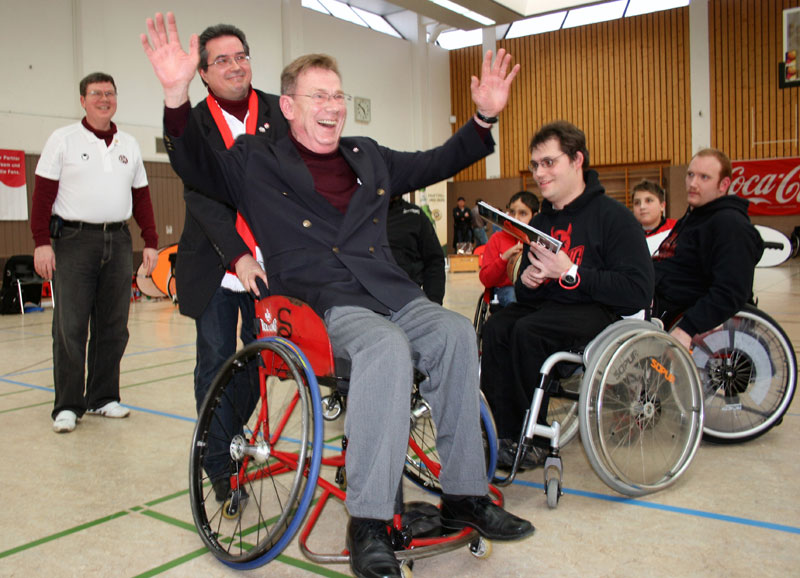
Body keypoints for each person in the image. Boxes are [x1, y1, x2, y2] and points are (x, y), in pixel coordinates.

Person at [142, 12, 531, 578]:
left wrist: (483, 116)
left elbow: (436, 162)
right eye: (318, 95)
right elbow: (195, 165)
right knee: (385, 348)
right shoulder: (255, 160)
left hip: (387, 289)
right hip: (316, 302)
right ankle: (369, 522)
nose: (332, 105)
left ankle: (465, 497)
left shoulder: (366, 154)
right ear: (290, 107)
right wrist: (176, 94)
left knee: (451, 332)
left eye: (339, 95)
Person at [479, 121, 653, 470]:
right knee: (498, 327)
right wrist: (527, 281)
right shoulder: (541, 224)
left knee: (530, 332)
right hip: (550, 310)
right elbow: (529, 301)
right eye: (534, 165)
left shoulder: (615, 219)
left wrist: (571, 273)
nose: (539, 173)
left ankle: (532, 440)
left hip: (599, 314)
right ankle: (499, 433)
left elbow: (637, 292)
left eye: (548, 162)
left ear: (577, 160)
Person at [171, 23, 289, 504]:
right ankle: (219, 465)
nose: (235, 65)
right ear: (202, 73)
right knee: (215, 364)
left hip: (271, 265)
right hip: (217, 266)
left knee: (264, 360)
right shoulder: (195, 123)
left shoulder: (279, 112)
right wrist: (237, 256)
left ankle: (225, 436)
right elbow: (200, 195)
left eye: (241, 55)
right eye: (222, 60)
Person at [30, 72, 159, 434]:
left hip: (118, 242)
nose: (104, 98)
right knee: (70, 327)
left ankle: (103, 397)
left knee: (114, 326)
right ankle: (68, 405)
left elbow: (142, 198)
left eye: (110, 93)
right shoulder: (63, 140)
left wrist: (150, 240)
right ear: (83, 101)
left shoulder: (129, 145)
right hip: (73, 241)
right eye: (96, 93)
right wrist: (42, 241)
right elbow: (41, 197)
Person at [652, 148, 763, 350]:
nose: (693, 184)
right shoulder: (694, 216)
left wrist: (687, 328)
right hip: (654, 297)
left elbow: (730, 291)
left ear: (724, 184)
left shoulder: (730, 224)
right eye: (690, 175)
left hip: (676, 311)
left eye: (704, 177)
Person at [478, 191, 539, 307]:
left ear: (535, 216)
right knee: (513, 295)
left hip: (533, 292)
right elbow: (485, 279)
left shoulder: (540, 241)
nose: (515, 218)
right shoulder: (497, 239)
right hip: (505, 291)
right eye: (512, 212)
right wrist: (504, 258)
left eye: (523, 213)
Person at [387, 195, 445, 304]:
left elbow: (434, 261)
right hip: (367, 304)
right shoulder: (359, 214)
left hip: (408, 299)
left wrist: (433, 302)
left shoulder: (415, 216)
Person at [631, 179, 676, 254]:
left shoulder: (676, 228)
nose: (642, 207)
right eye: (637, 203)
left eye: (648, 201)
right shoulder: (627, 234)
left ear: (662, 206)